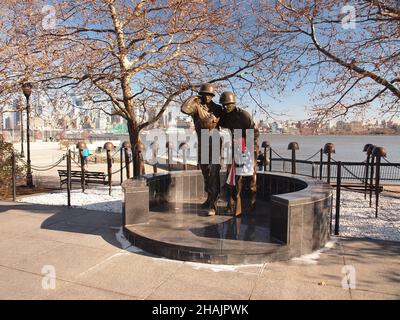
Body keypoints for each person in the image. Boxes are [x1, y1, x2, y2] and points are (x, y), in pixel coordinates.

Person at [181, 83, 223, 216]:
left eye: (210, 95)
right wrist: (194, 98)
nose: (207, 97)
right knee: (205, 172)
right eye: (205, 95)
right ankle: (209, 197)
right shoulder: (196, 107)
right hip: (203, 142)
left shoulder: (218, 108)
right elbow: (184, 109)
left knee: (214, 172)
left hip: (215, 141)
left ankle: (213, 205)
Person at [218, 91, 259, 216]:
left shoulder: (244, 115)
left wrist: (245, 144)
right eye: (223, 105)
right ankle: (232, 204)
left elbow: (255, 133)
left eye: (228, 105)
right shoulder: (225, 115)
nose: (225, 107)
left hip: (249, 148)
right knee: (232, 178)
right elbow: (215, 122)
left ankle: (252, 204)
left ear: (233, 103)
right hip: (235, 148)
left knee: (251, 179)